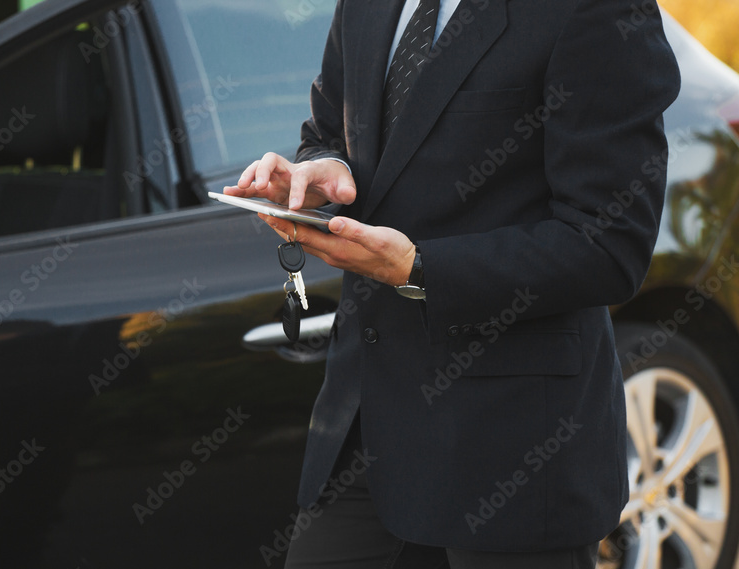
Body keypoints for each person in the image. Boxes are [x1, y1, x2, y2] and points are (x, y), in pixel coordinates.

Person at [224, 0, 682, 567]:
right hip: (363, 436)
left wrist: (420, 269)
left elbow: (610, 245)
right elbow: (329, 131)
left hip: (512, 458)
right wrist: (323, 170)